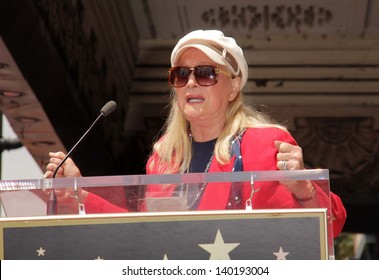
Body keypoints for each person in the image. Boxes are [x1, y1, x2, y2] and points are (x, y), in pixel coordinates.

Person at [44, 30, 346, 237]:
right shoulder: (164, 157)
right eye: (181, 74)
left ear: (234, 86)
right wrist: (76, 192)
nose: (191, 83)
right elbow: (142, 232)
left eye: (206, 72)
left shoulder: (264, 144)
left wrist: (304, 188)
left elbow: (330, 227)